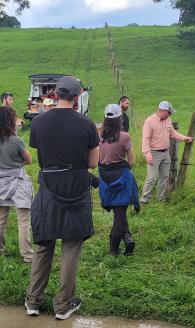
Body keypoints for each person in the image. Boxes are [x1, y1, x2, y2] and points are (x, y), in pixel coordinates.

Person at [25, 76, 99, 320]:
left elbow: (39, 153)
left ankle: (33, 302)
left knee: (43, 245)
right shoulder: (86, 124)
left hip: (48, 186)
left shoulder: (38, 123)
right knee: (71, 247)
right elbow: (92, 163)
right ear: (77, 97)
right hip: (76, 188)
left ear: (55, 94)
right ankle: (63, 304)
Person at [98, 104, 139, 256]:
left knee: (119, 211)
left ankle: (127, 238)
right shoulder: (124, 136)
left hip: (105, 177)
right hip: (121, 176)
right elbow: (132, 162)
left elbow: (97, 158)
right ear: (119, 118)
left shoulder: (99, 136)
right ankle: (113, 250)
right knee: (120, 213)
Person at [141, 101, 193, 204]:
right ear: (163, 111)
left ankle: (161, 199)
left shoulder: (168, 120)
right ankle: (144, 200)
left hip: (166, 153)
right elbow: (145, 139)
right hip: (154, 153)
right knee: (151, 177)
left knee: (164, 177)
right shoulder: (149, 121)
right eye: (169, 112)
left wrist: (184, 138)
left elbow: (173, 134)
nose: (170, 114)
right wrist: (147, 154)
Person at [0, 106, 33, 263]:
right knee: (23, 221)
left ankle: (0, 249)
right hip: (18, 182)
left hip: (1, 182)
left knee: (0, 220)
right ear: (9, 122)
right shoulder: (16, 141)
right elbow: (29, 160)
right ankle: (27, 255)